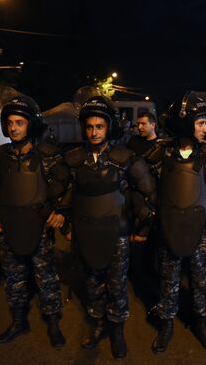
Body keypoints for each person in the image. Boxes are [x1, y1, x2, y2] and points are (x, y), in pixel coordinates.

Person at [63, 96, 156, 358]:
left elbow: (147, 193)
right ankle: (97, 323)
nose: (94, 132)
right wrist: (65, 226)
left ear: (109, 128)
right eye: (90, 127)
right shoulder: (74, 160)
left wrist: (143, 227)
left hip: (117, 234)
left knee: (116, 284)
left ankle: (117, 329)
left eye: (99, 127)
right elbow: (63, 198)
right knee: (92, 283)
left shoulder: (126, 159)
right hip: (86, 232)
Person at [145, 91, 206, 354]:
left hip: (200, 229)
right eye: (200, 122)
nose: (205, 127)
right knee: (169, 278)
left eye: (205, 122)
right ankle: (166, 323)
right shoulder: (160, 155)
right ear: (185, 123)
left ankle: (201, 322)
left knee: (201, 277)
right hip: (169, 228)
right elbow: (147, 191)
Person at [0, 95, 70, 348]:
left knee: (46, 277)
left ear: (30, 125)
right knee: (13, 277)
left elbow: (67, 186)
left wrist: (61, 212)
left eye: (19, 122)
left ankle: (53, 322)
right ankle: (18, 321)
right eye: (10, 122)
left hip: (39, 227)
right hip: (9, 226)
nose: (13, 128)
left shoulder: (48, 156)